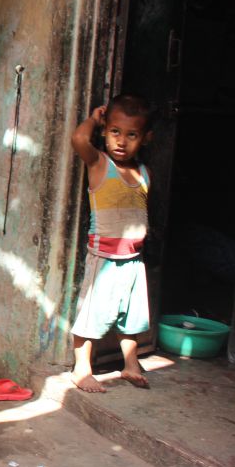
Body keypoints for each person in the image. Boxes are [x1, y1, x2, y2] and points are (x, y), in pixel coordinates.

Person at [68, 94, 154, 393]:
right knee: (91, 316)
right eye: (115, 132)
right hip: (104, 259)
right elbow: (79, 139)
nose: (121, 141)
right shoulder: (100, 163)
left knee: (132, 319)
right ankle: (81, 369)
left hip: (133, 262)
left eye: (132, 135)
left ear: (145, 138)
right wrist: (94, 119)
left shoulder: (143, 173)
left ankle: (131, 365)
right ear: (105, 131)